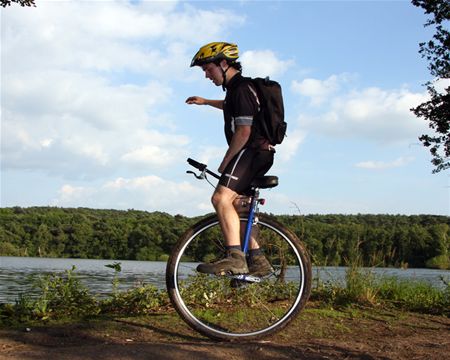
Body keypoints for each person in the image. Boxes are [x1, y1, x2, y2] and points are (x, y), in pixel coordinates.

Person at [186, 42, 275, 277]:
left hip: (251, 152)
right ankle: (257, 259)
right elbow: (229, 106)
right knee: (237, 205)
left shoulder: (242, 88)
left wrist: (227, 160)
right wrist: (205, 102)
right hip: (259, 154)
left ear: (224, 63)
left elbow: (243, 131)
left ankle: (235, 258)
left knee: (220, 197)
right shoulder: (238, 90)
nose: (206, 75)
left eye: (208, 69)